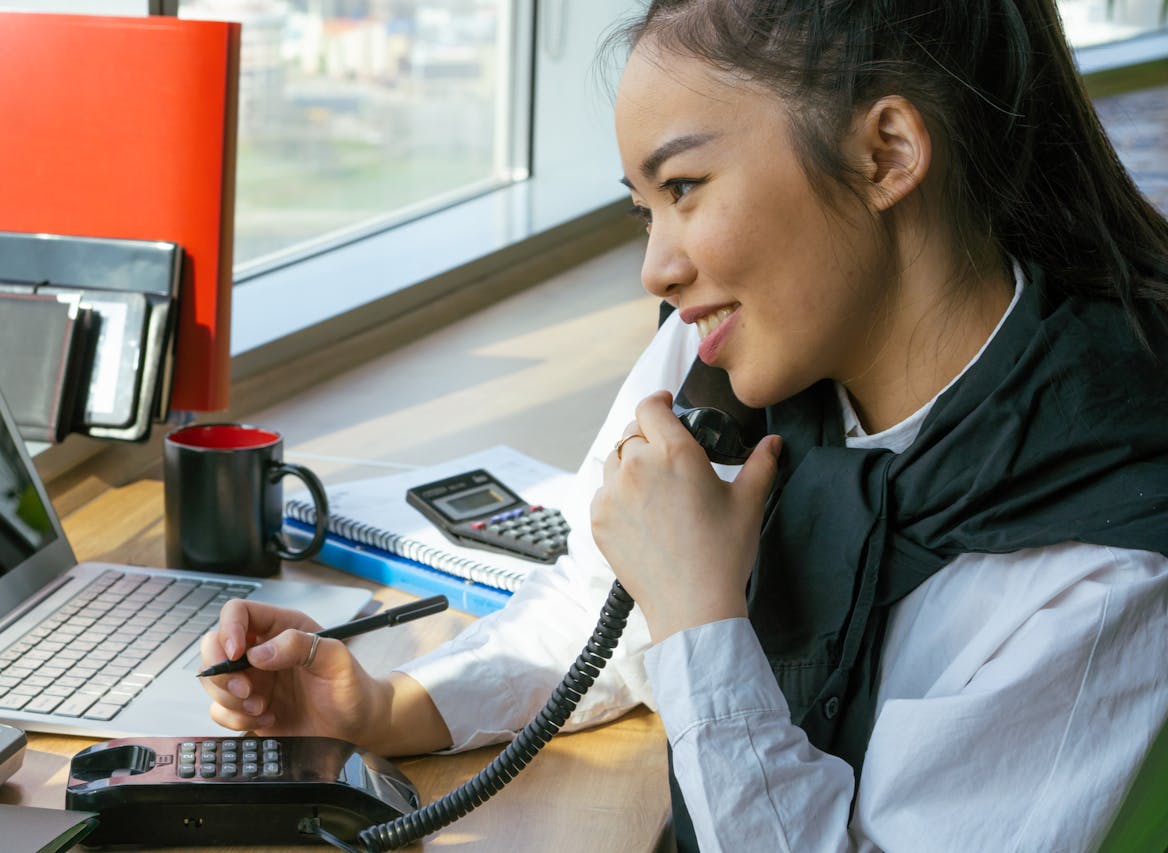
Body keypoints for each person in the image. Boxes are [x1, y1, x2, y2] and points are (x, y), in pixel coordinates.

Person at [200, 1, 1168, 849]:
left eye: (685, 189)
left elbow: (673, 610)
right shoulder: (727, 360)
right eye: (642, 211)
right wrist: (384, 704)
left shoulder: (1098, 562)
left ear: (886, 154)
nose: (655, 269)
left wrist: (701, 610)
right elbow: (600, 609)